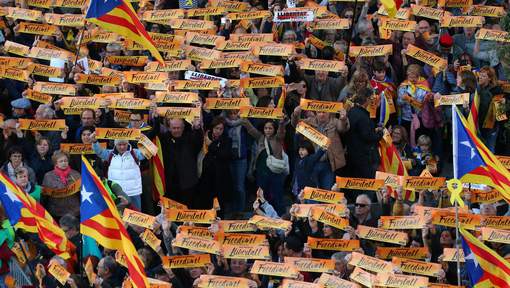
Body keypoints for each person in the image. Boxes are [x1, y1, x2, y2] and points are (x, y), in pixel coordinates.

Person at [291, 107, 349, 189]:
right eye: (319, 112)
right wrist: (295, 115)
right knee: (313, 191)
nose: (322, 114)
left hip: (329, 164)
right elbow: (296, 125)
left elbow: (343, 128)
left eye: (324, 112)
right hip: (313, 163)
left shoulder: (335, 122)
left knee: (327, 191)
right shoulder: (310, 121)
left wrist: (343, 119)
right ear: (316, 113)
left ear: (329, 113)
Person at [242, 119, 288, 215]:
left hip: (275, 173)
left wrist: (282, 123)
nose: (267, 130)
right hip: (261, 173)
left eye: (270, 128)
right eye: (266, 128)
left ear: (274, 129)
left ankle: (281, 219)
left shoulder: (278, 138)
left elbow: (281, 131)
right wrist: (243, 118)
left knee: (277, 196)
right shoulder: (260, 138)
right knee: (262, 197)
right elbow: (250, 129)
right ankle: (264, 218)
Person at [91, 134, 146, 210]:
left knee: (135, 217)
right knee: (119, 217)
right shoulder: (110, 154)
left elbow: (147, 152)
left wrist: (145, 140)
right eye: (119, 144)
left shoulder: (134, 153)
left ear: (128, 143)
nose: (122, 147)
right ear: (115, 145)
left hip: (133, 192)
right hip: (117, 193)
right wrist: (94, 141)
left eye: (124, 144)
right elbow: (99, 152)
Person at [159, 117, 203, 207]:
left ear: (183, 127)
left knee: (188, 211)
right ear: (169, 128)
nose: (176, 130)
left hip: (188, 183)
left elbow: (199, 142)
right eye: (174, 128)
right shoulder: (164, 138)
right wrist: (155, 118)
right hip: (171, 184)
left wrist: (198, 128)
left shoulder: (190, 137)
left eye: (178, 128)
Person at [344, 88, 383, 180]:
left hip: (352, 155)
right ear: (367, 99)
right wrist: (380, 134)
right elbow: (368, 136)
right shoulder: (363, 116)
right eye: (372, 98)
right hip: (364, 157)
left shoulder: (352, 111)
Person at [196, 116, 232, 212]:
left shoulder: (227, 140)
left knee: (220, 205)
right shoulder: (205, 137)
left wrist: (211, 144)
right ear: (212, 128)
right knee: (206, 203)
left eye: (221, 129)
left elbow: (224, 155)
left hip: (220, 178)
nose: (218, 131)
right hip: (206, 177)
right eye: (216, 128)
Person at [41, 151, 81, 219]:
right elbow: (44, 196)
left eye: (65, 161)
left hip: (74, 211)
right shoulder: (48, 176)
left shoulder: (76, 174)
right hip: (56, 212)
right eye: (61, 161)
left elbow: (81, 193)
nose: (64, 163)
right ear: (56, 163)